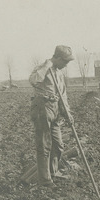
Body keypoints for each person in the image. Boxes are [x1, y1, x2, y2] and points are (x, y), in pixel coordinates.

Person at [29, 45, 74, 186]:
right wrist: (47, 65)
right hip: (42, 108)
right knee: (44, 145)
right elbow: (34, 80)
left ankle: (53, 172)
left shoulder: (59, 74)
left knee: (58, 145)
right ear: (58, 58)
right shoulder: (42, 68)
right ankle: (45, 180)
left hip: (55, 110)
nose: (66, 65)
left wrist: (68, 114)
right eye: (65, 62)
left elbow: (63, 96)